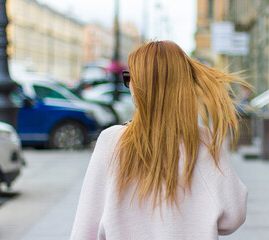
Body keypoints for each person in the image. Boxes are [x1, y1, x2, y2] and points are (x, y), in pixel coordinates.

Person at [70, 41, 248, 240]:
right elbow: (234, 216)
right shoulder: (203, 140)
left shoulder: (112, 141)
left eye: (130, 79)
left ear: (139, 88)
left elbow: (84, 231)